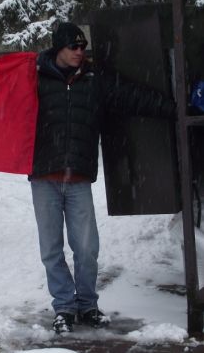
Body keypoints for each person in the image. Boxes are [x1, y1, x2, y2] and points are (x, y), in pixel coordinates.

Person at [30, 22, 176, 334]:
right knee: (51, 249)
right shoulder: (34, 79)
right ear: (59, 48)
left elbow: (133, 96)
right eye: (74, 47)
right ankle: (64, 309)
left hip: (79, 178)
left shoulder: (95, 81)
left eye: (83, 47)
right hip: (44, 177)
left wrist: (176, 108)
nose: (80, 52)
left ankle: (87, 305)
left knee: (86, 249)